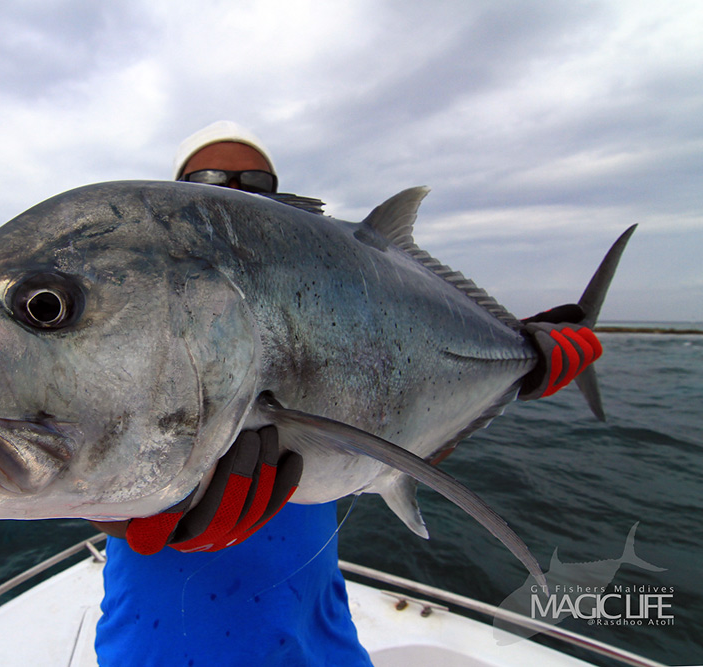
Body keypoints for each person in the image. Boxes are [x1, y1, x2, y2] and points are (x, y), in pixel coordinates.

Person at [93, 121, 602, 666]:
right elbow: (71, 447)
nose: (234, 190)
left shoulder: (334, 295)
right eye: (209, 178)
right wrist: (118, 513)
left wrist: (525, 361)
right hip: (154, 645)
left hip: (321, 641)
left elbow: (394, 443)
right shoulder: (122, 331)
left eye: (255, 179)